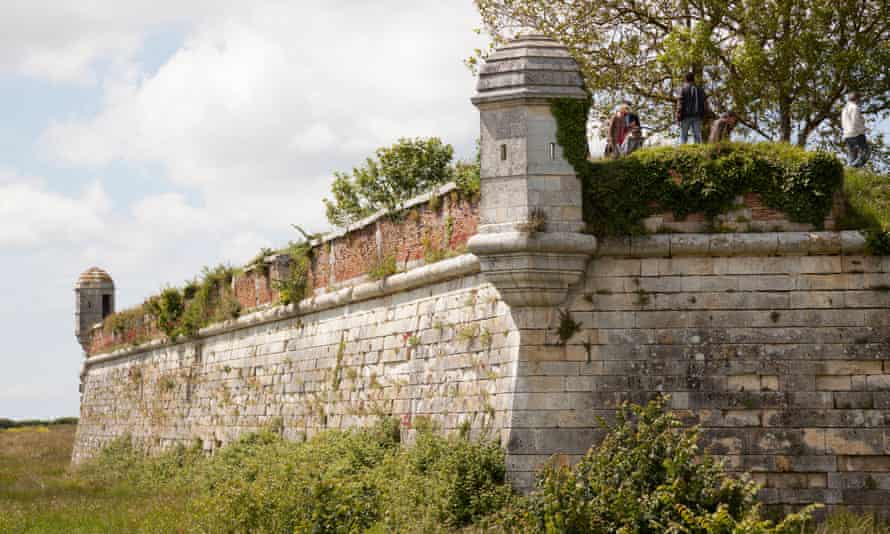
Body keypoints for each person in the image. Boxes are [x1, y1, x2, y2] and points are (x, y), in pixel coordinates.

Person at [677, 72, 708, 144]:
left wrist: (678, 116)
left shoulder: (682, 89)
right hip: (697, 115)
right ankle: (698, 152)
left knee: (683, 137)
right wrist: (705, 115)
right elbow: (705, 103)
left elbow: (680, 104)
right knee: (697, 136)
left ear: (686, 79)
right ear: (694, 79)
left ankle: (682, 152)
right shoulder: (700, 89)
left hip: (685, 116)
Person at [842, 92, 870, 167]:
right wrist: (863, 129)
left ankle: (850, 171)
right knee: (865, 153)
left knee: (852, 156)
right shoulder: (855, 107)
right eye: (859, 99)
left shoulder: (845, 109)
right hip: (857, 134)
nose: (860, 100)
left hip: (847, 135)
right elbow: (856, 121)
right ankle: (852, 167)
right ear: (857, 99)